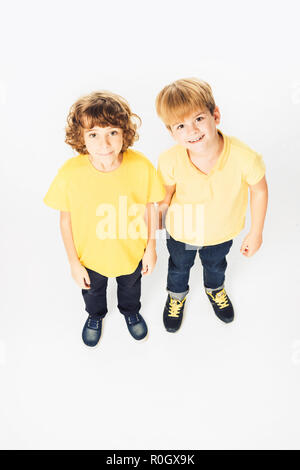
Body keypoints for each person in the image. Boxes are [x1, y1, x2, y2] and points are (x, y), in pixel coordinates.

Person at [44, 91, 165, 346]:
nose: (105, 144)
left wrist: (151, 248)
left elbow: (150, 208)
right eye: (93, 135)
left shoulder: (141, 166)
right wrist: (74, 263)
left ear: (124, 133)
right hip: (90, 258)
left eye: (112, 132)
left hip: (131, 253)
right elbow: (65, 220)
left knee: (131, 289)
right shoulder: (70, 174)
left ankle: (130, 312)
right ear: (81, 138)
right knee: (93, 292)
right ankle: (95, 316)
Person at [156, 78, 268, 332]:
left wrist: (256, 231)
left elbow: (259, 190)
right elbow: (165, 195)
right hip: (182, 231)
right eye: (181, 126)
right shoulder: (169, 160)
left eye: (198, 119)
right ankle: (176, 296)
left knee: (216, 264)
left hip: (221, 232)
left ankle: (214, 289)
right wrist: (153, 226)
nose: (192, 131)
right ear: (171, 133)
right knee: (179, 266)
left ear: (215, 115)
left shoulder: (243, 156)